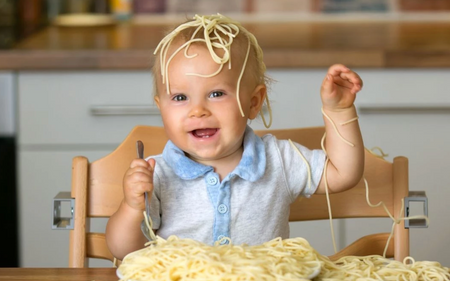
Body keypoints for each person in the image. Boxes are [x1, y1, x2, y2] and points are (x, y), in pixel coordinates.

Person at [105, 14, 364, 260]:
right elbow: (123, 251)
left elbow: (343, 173)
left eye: (216, 93)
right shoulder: (156, 175)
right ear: (160, 107)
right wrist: (131, 207)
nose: (198, 110)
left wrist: (339, 111)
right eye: (180, 97)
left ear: (253, 103)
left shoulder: (279, 161)